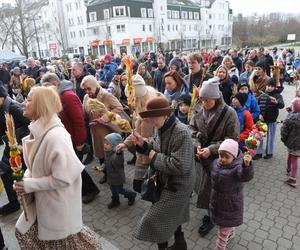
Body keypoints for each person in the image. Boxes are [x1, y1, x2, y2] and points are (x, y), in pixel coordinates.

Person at [13, 86, 102, 249]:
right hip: (45, 206)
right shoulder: (38, 131)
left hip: (58, 210)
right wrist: (24, 181)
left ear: (41, 105)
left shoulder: (56, 136)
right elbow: (35, 167)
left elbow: (63, 178)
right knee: (23, 232)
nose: (23, 103)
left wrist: (29, 185)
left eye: (29, 100)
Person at [133, 96, 195, 250]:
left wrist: (155, 157)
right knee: (171, 216)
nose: (150, 121)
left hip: (178, 186)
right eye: (149, 118)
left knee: (154, 220)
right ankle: (180, 244)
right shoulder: (160, 126)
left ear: (165, 114)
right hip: (163, 180)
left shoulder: (181, 132)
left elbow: (181, 165)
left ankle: (169, 246)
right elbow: (156, 146)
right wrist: (144, 144)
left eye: (153, 117)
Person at [190, 77, 240, 237]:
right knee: (201, 187)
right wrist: (196, 144)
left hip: (220, 160)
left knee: (214, 190)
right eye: (202, 99)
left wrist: (210, 149)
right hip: (200, 157)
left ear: (217, 98)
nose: (204, 103)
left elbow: (233, 140)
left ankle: (212, 217)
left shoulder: (229, 113)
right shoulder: (197, 107)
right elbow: (191, 129)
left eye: (207, 101)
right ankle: (209, 212)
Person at [41, 73, 100, 204]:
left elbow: (79, 121)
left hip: (74, 140)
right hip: (67, 139)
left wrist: (80, 142)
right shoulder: (60, 96)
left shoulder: (67, 96)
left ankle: (91, 190)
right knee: (73, 167)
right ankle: (85, 189)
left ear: (55, 84)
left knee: (75, 168)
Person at [81, 75, 129, 184]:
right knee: (100, 154)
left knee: (110, 154)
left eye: (89, 88)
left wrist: (104, 118)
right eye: (85, 89)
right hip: (95, 131)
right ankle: (106, 174)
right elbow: (84, 113)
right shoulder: (86, 97)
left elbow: (119, 107)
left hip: (107, 130)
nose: (87, 91)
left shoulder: (106, 95)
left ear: (95, 86)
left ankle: (117, 177)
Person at [117, 75, 158, 192]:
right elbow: (136, 132)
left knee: (153, 189)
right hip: (141, 156)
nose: (131, 102)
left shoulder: (154, 112)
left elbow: (161, 138)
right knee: (139, 186)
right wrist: (125, 144)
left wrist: (144, 141)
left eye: (133, 98)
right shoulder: (138, 111)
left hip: (154, 158)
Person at [210, 139, 253, 250]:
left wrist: (247, 166)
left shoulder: (238, 167)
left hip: (230, 205)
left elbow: (245, 177)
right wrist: (203, 159)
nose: (223, 159)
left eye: (226, 157)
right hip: (218, 202)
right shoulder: (216, 163)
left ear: (234, 157)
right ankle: (232, 231)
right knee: (227, 225)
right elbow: (209, 169)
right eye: (221, 155)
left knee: (222, 234)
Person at [0, 84, 30, 216]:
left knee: (17, 173)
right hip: (11, 145)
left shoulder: (13, 107)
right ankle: (14, 202)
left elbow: (31, 124)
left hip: (20, 146)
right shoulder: (2, 106)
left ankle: (22, 201)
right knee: (4, 170)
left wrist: (19, 143)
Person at [104, 133, 136, 209]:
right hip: (110, 176)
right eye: (104, 143)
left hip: (117, 177)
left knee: (120, 190)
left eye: (107, 144)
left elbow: (118, 162)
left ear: (114, 145)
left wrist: (118, 153)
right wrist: (103, 167)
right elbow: (107, 161)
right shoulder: (108, 151)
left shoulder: (118, 154)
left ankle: (131, 195)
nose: (105, 145)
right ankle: (115, 201)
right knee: (113, 190)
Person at [255, 78, 285, 160]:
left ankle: (269, 152)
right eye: (268, 85)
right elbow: (257, 106)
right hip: (261, 120)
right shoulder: (262, 95)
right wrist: (259, 114)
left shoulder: (278, 95)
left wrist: (277, 102)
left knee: (270, 137)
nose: (269, 87)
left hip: (271, 120)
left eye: (271, 86)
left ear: (275, 87)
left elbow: (282, 105)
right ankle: (258, 153)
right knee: (259, 136)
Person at [281, 98, 300, 187]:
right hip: (298, 144)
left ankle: (293, 178)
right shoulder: (292, 116)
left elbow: (284, 130)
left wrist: (283, 139)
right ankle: (289, 169)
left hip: (292, 143)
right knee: (293, 156)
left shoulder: (290, 118)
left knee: (293, 158)